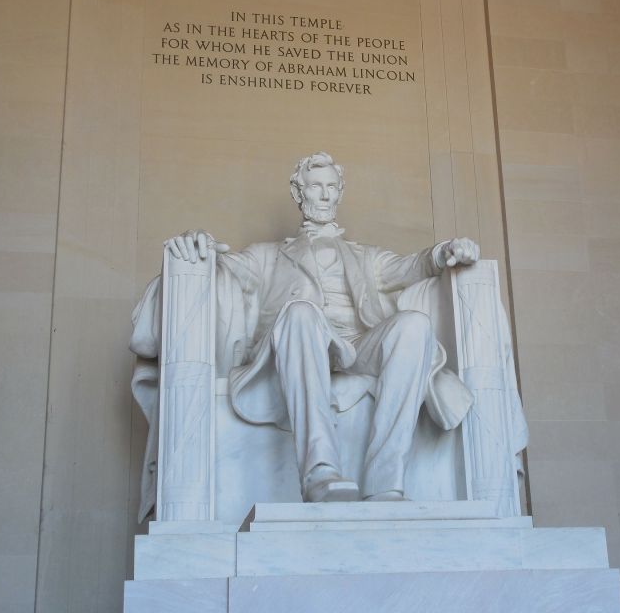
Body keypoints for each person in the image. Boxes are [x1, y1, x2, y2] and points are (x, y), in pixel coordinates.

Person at [157, 152, 480, 503]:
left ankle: (386, 481)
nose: (324, 195)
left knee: (415, 325)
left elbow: (412, 266)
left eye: (331, 187)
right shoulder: (266, 256)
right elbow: (224, 267)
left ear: (340, 192)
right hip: (300, 339)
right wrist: (197, 243)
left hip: (359, 345)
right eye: (315, 187)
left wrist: (446, 250)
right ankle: (320, 472)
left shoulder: (366, 257)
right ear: (298, 194)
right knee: (300, 312)